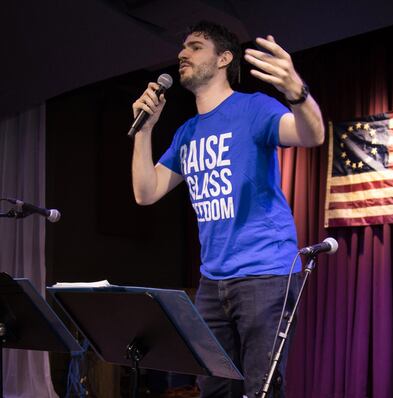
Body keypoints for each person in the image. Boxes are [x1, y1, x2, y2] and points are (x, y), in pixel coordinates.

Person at [130, 21, 324, 398]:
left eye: (195, 46)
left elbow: (311, 135)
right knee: (213, 389)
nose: (182, 54)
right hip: (212, 282)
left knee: (260, 390)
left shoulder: (253, 108)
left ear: (223, 58)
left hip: (264, 276)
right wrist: (144, 130)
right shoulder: (187, 132)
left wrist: (296, 92)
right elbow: (146, 192)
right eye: (182, 48)